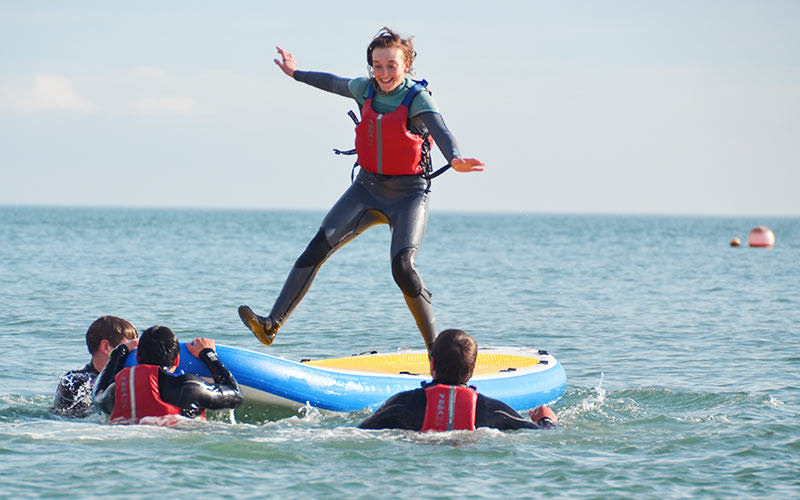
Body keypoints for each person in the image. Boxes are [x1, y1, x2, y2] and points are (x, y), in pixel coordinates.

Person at [238, 27, 485, 352]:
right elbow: (330, 82)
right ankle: (271, 325)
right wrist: (295, 72)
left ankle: (435, 352)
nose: (383, 73)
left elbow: (441, 131)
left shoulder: (417, 98)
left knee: (402, 267)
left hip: (409, 194)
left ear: (406, 65)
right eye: (377, 66)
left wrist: (454, 158)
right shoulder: (364, 89)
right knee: (317, 247)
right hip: (366, 188)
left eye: (391, 66)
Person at [359, 329, 558, 431]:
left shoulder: (403, 404)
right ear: (472, 369)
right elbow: (543, 435)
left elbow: (360, 430)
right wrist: (547, 419)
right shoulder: (492, 410)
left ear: (432, 365)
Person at [93, 325, 243, 424]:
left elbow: (98, 395)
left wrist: (121, 351)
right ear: (177, 359)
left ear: (138, 358)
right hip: (182, 434)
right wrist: (208, 354)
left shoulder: (118, 390)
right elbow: (235, 395)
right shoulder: (190, 387)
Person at [52, 315, 139, 418]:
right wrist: (121, 353)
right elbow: (83, 415)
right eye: (130, 347)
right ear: (106, 347)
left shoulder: (124, 380)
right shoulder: (77, 381)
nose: (134, 353)